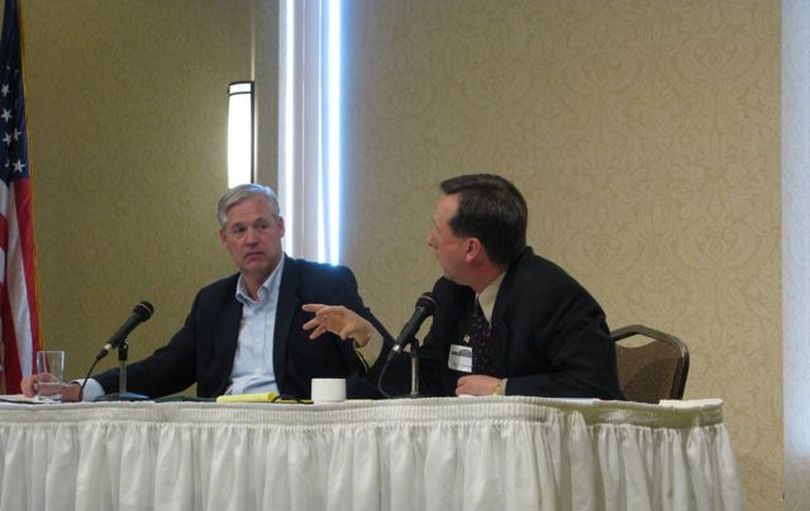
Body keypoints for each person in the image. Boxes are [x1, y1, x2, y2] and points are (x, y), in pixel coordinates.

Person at [21, 183, 391, 400]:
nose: (251, 239)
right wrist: (81, 389)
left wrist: (365, 337)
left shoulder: (327, 284)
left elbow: (388, 360)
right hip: (221, 437)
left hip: (298, 436)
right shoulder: (212, 301)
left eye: (261, 226)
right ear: (224, 239)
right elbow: (167, 368)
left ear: (280, 228)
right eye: (239, 230)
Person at [304, 173, 622, 399]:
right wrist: (366, 336)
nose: (430, 241)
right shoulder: (450, 294)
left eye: (438, 231)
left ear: (471, 249)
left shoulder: (552, 295)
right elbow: (424, 384)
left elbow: (595, 386)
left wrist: (503, 390)